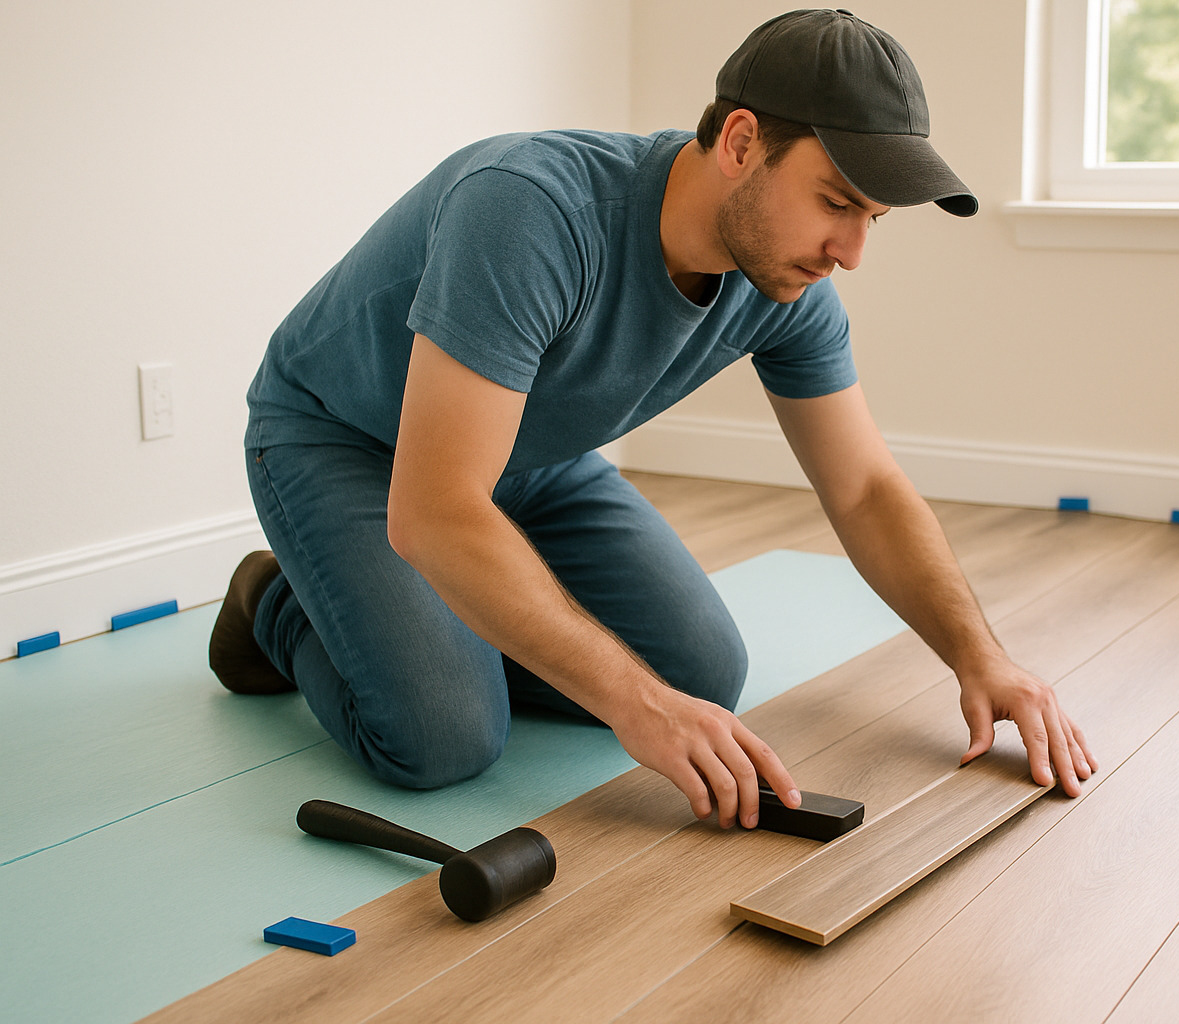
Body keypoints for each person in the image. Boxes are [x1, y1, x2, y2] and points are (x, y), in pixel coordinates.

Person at [210, 8, 1097, 831]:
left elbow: (864, 488)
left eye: (873, 219)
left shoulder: (786, 282)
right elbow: (436, 507)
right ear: (743, 142)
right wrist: (631, 702)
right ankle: (280, 603)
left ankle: (447, 607)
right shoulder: (530, 211)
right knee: (444, 738)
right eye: (835, 202)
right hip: (348, 439)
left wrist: (981, 657)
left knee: (702, 676)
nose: (852, 253)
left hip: (532, 455)